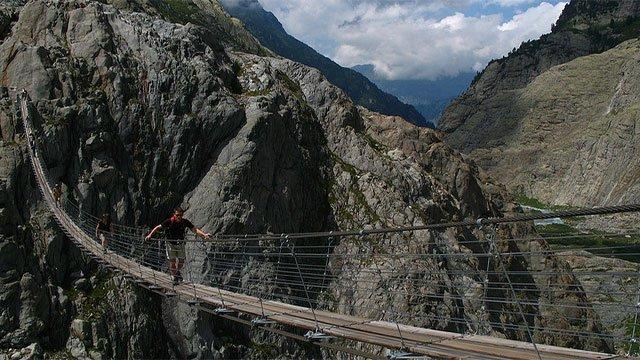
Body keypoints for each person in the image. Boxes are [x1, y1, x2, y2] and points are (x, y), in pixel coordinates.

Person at [145, 207, 210, 284]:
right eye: (177, 215)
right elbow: (157, 227)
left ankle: (176, 272)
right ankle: (175, 277)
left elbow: (194, 230)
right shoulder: (169, 221)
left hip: (180, 244)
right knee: (172, 261)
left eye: (181, 215)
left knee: (181, 261)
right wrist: (150, 235)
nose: (179, 217)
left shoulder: (184, 222)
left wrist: (204, 235)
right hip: (170, 244)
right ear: (174, 215)